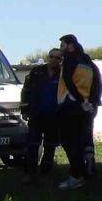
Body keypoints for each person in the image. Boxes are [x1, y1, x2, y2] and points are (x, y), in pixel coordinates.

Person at [56, 34, 102, 190]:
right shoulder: (88, 62)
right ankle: (89, 170)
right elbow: (98, 84)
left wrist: (79, 99)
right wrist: (92, 103)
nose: (61, 50)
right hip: (87, 109)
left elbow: (68, 81)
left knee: (68, 141)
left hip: (71, 106)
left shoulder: (70, 59)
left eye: (63, 46)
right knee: (85, 140)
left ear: (70, 45)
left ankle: (77, 175)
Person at [20, 48, 62, 184]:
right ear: (48, 57)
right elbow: (25, 91)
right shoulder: (36, 72)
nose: (54, 60)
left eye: (58, 58)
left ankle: (45, 173)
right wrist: (25, 109)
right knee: (32, 145)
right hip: (36, 114)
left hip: (54, 117)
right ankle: (29, 173)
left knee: (50, 147)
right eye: (52, 56)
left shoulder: (63, 74)